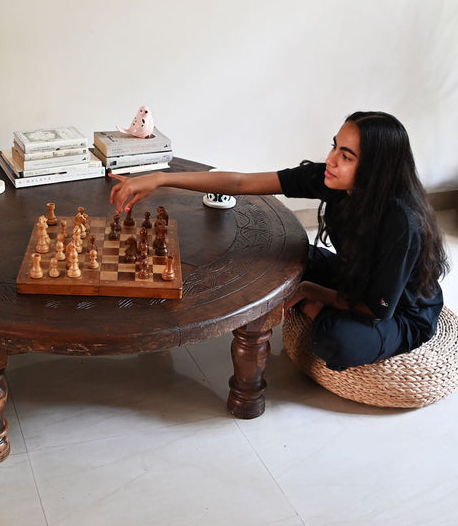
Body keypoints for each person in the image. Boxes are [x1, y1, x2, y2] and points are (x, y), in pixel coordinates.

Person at [110, 111, 448, 373]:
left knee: (336, 341)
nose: (330, 160)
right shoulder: (330, 180)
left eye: (347, 156)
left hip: (399, 311)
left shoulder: (401, 223)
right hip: (354, 277)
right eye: (335, 146)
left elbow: (376, 309)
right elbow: (241, 182)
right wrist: (160, 179)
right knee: (274, 254)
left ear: (376, 168)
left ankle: (309, 302)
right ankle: (308, 298)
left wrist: (310, 292)